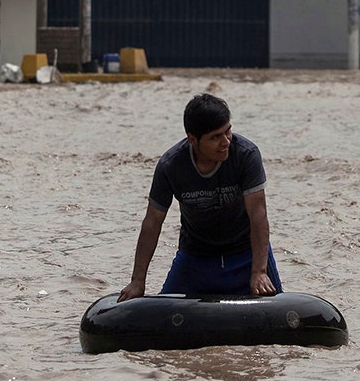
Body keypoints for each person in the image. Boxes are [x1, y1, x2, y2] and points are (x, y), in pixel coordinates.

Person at [118, 94, 280, 301]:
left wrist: (259, 272)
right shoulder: (171, 165)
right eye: (215, 137)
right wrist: (137, 281)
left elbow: (259, 216)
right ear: (193, 139)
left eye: (227, 131)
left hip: (246, 254)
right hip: (196, 257)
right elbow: (152, 222)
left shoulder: (246, 155)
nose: (225, 142)